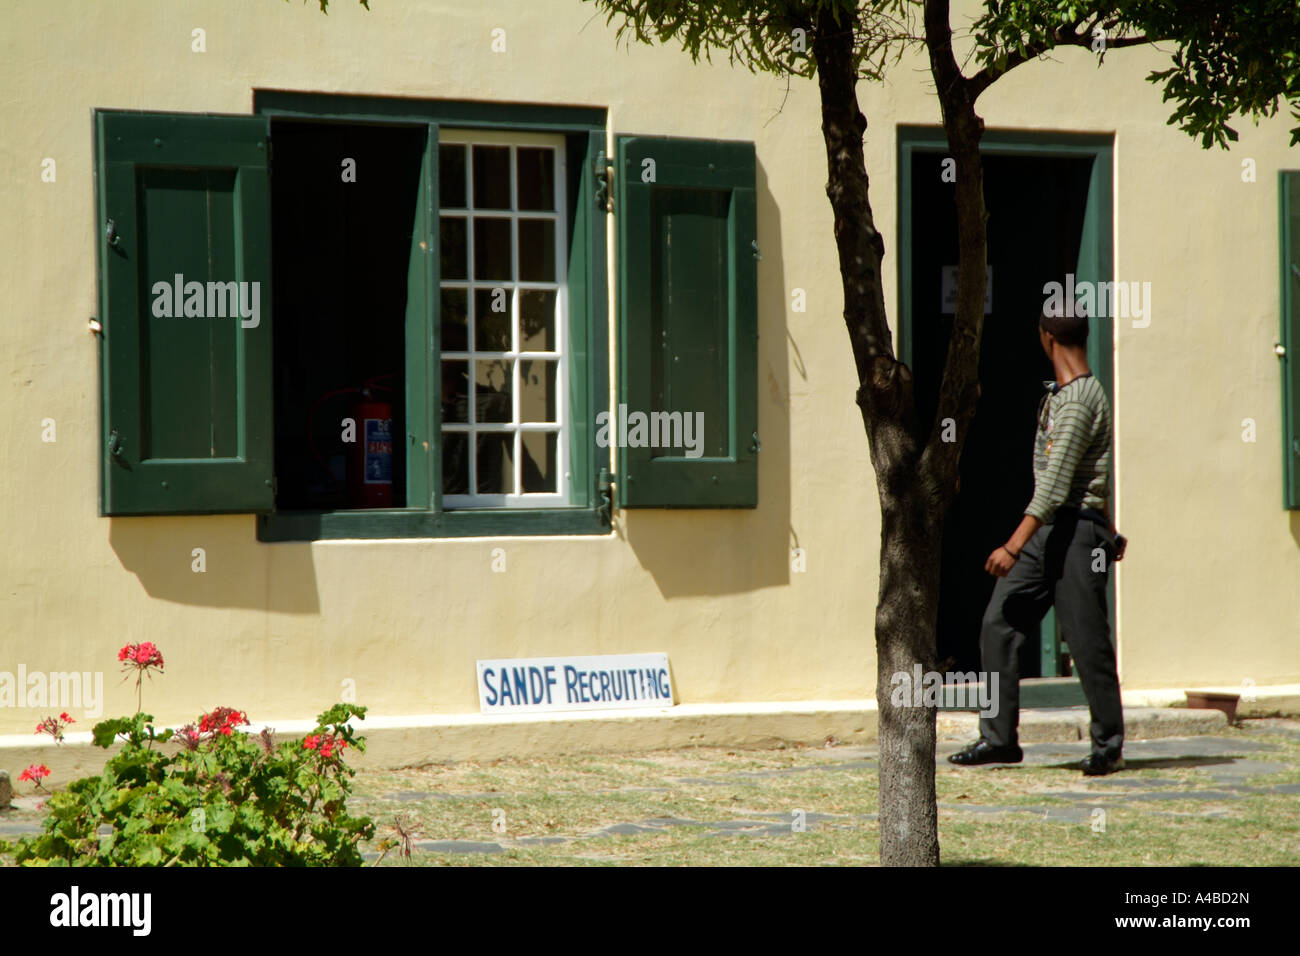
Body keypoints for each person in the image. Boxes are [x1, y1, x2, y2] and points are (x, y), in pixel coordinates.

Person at [949, 302, 1128, 776]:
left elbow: (1055, 486)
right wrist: (1111, 529)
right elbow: (1095, 472)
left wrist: (1012, 546)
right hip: (1054, 531)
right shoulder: (1063, 395)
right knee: (999, 623)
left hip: (1072, 532)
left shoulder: (1081, 399)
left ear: (1046, 336)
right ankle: (999, 739)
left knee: (1087, 639)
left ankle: (1107, 744)